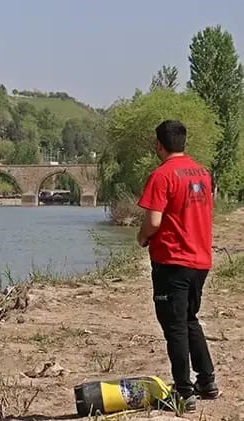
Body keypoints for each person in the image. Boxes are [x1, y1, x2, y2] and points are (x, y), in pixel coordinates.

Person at [136, 120, 219, 408]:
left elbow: (154, 220)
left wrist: (142, 237)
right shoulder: (202, 173)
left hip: (172, 260)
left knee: (174, 326)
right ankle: (207, 381)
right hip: (200, 260)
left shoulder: (161, 176)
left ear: (159, 144)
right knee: (188, 319)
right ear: (183, 142)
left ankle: (184, 391)